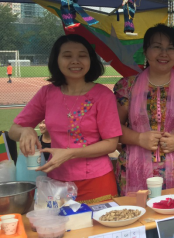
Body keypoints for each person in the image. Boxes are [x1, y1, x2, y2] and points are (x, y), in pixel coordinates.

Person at [10, 34, 121, 203]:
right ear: (57, 60)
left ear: (91, 60)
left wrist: (70, 153)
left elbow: (111, 143)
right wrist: (25, 131)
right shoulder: (47, 93)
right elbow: (13, 130)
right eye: (67, 56)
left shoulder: (103, 95)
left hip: (97, 182)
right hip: (56, 184)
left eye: (82, 55)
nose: (75, 61)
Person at [114, 24, 174, 196]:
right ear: (145, 51)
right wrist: (138, 138)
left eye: (170, 48)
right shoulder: (127, 86)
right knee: (138, 212)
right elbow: (113, 127)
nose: (164, 53)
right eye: (157, 47)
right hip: (135, 170)